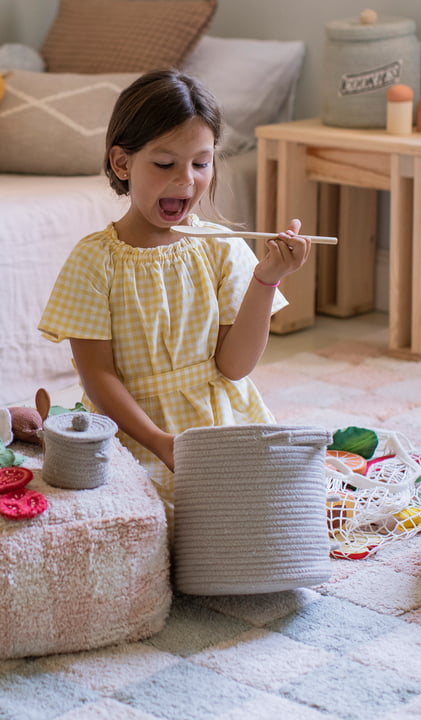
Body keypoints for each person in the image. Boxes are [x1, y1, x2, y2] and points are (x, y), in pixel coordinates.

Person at [38, 69, 311, 524]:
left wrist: (267, 280)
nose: (186, 181)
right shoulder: (93, 260)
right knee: (141, 522)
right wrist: (160, 442)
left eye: (201, 164)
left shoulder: (222, 248)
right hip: (134, 428)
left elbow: (234, 367)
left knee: (273, 512)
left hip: (219, 422)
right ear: (122, 164)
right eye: (165, 164)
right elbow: (98, 376)